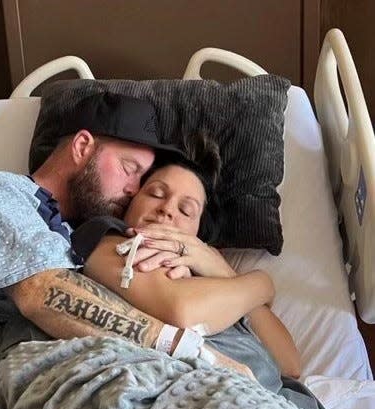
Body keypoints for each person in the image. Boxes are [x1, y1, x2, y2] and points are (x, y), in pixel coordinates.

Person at [0, 91, 250, 375]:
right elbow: (41, 293)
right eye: (129, 168)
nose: (135, 189)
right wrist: (196, 354)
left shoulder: (75, 237)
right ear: (83, 146)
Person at [71, 131, 302, 382]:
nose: (167, 209)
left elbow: (289, 365)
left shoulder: (219, 281)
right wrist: (262, 283)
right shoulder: (108, 237)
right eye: (156, 194)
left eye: (186, 209)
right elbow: (183, 313)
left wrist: (221, 270)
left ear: (199, 236)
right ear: (132, 199)